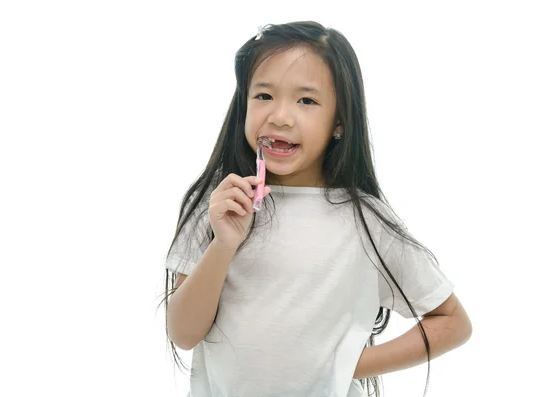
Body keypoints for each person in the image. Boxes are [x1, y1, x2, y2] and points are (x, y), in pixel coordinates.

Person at [161, 21, 472, 397]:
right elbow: (183, 334)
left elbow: (452, 322)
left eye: (306, 100)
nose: (280, 116)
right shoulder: (220, 206)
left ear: (339, 121)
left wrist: (348, 367)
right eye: (263, 96)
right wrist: (223, 245)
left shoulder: (365, 221)